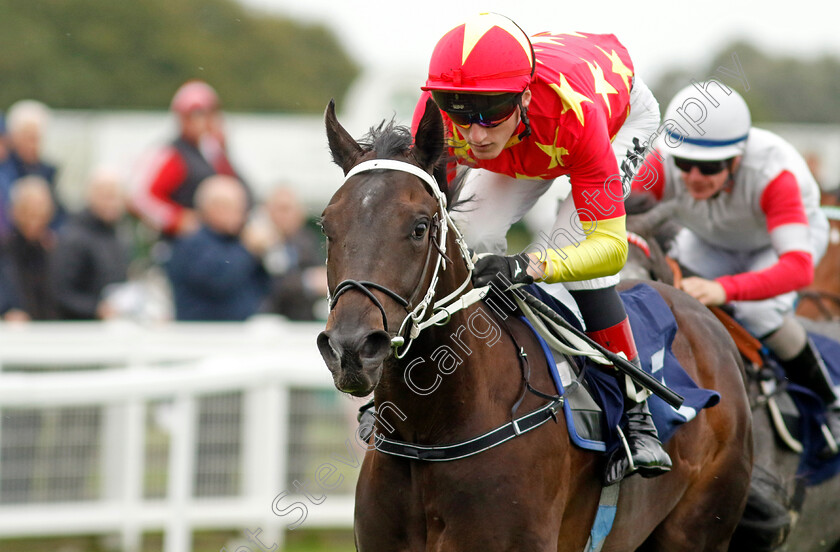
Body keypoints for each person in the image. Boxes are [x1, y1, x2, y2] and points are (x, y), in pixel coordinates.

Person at [407, 12, 670, 484]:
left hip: (610, 120)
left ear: (524, 96)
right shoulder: (436, 115)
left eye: (491, 113)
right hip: (532, 128)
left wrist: (528, 265)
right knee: (467, 235)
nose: (476, 134)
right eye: (459, 112)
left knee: (576, 256)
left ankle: (637, 411)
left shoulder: (576, 117)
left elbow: (607, 249)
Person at [630, 82, 839, 454]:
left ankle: (831, 402)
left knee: (758, 310)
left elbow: (797, 270)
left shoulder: (776, 175)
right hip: (712, 239)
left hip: (776, 245)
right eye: (685, 163)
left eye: (708, 166)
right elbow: (613, 208)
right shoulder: (662, 163)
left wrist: (725, 289)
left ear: (737, 159)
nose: (693, 176)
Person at [130, 80, 249, 239]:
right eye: (195, 114)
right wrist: (176, 219)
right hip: (185, 243)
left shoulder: (213, 152)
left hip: (216, 240)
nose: (202, 121)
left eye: (208, 113)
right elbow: (141, 198)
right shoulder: (172, 154)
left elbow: (239, 187)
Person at [166, 175, 269, 321]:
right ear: (213, 207)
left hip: (239, 332)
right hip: (202, 335)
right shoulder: (192, 243)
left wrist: (265, 253)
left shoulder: (236, 241)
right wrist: (247, 249)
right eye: (235, 207)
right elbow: (218, 281)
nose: (242, 215)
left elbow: (262, 287)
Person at [51, 167, 131, 320]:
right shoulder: (73, 237)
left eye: (116, 197)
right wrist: (96, 308)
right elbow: (61, 293)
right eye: (106, 196)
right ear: (90, 196)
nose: (112, 203)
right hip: (80, 330)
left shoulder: (119, 234)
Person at [257, 186, 328, 321]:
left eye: (290, 209)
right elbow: (273, 285)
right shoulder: (256, 241)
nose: (286, 215)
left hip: (303, 321)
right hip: (267, 319)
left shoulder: (307, 240)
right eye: (281, 209)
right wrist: (309, 282)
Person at [0, 99, 65, 236]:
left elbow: (60, 215)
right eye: (28, 137)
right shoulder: (5, 171)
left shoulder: (47, 172)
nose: (33, 145)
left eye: (37, 138)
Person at [0, 176, 58, 321]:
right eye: (28, 211)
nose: (34, 219)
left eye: (40, 212)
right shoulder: (5, 249)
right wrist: (6, 311)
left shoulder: (52, 248)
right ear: (14, 211)